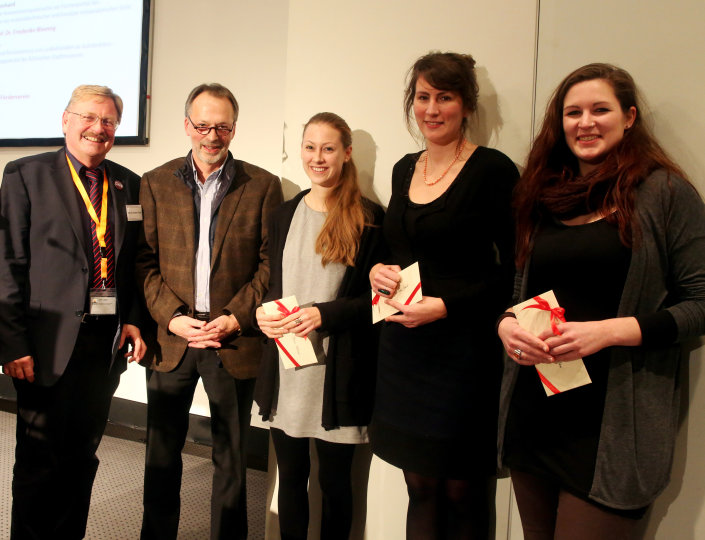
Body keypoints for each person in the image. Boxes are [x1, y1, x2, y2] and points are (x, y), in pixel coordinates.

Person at [496, 63, 705, 540]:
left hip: (611, 430)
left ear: (629, 117)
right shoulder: (541, 195)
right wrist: (507, 324)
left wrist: (609, 330)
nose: (585, 122)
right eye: (573, 112)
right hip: (535, 413)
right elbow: (518, 291)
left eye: (599, 110)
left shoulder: (665, 193)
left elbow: (701, 301)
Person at [368, 52, 518, 539]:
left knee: (462, 490)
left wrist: (448, 304)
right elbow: (399, 250)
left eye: (445, 97)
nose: (432, 109)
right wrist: (377, 271)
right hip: (404, 352)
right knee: (421, 487)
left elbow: (515, 273)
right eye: (423, 97)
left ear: (467, 105)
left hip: (464, 356)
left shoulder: (493, 170)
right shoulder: (402, 168)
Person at [135, 83, 283, 540]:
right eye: (203, 125)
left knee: (231, 459)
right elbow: (143, 261)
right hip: (172, 339)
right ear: (187, 126)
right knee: (161, 454)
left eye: (222, 126)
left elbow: (268, 264)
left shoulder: (262, 185)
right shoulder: (155, 183)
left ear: (234, 129)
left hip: (231, 340)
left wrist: (237, 316)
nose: (212, 135)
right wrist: (172, 316)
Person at [0, 85, 145, 539]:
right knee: (39, 462)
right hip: (44, 345)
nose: (97, 128)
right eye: (88, 117)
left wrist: (136, 318)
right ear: (65, 120)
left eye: (107, 121)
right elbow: (7, 263)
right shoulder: (25, 174)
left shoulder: (128, 183)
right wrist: (12, 342)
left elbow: (134, 262)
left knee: (83, 456)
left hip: (103, 345)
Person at [254, 112, 385, 540]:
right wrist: (262, 312)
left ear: (347, 154)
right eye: (310, 147)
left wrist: (324, 315)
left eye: (328, 148)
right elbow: (273, 284)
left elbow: (383, 302)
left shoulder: (370, 219)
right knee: (289, 480)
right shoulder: (283, 214)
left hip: (338, 375)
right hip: (287, 371)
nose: (318, 157)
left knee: (334, 484)